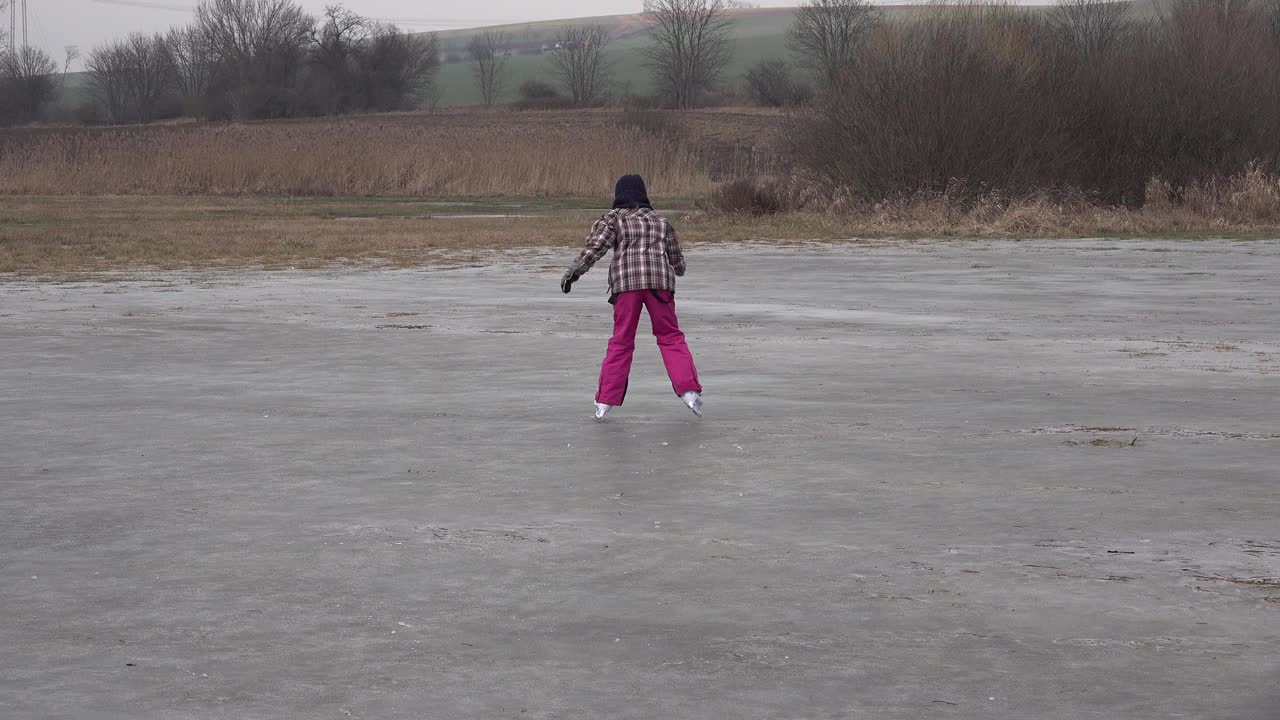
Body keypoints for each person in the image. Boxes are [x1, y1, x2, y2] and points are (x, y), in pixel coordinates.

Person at [561, 174, 704, 420]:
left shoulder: (613, 219)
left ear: (619, 195)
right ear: (643, 195)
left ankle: (605, 400)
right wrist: (677, 269)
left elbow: (595, 248)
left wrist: (573, 272)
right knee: (670, 337)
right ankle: (689, 391)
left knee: (622, 341)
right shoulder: (661, 222)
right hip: (660, 285)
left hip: (627, 284)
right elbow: (677, 261)